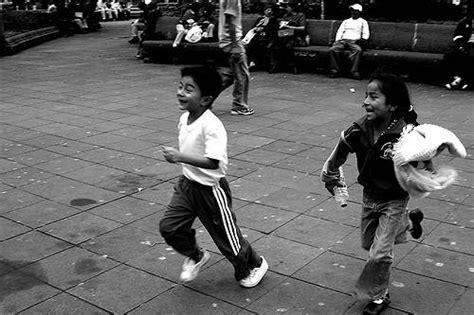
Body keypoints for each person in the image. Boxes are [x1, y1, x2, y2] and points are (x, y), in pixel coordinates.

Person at [320, 70, 424, 315]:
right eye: (366, 95)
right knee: (368, 244)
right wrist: (334, 180)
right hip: (370, 196)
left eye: (374, 97)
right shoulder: (359, 130)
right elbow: (337, 155)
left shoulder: (406, 132)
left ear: (392, 105)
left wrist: (422, 158)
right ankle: (409, 222)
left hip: (395, 198)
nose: (365, 101)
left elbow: (424, 156)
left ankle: (379, 297)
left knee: (379, 254)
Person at [159, 66, 268, 288]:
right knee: (170, 227)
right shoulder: (184, 118)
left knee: (228, 238)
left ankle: (254, 264)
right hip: (187, 186)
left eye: (189, 89)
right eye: (180, 86)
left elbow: (214, 162)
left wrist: (180, 156)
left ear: (206, 99)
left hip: (210, 190)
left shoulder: (212, 126)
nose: (181, 92)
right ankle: (196, 255)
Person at [218, 0, 255, 116]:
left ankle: (206, 96)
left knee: (231, 74)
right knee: (243, 75)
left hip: (230, 40)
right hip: (232, 41)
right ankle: (239, 105)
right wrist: (235, 46)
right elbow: (230, 21)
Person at [329, 3, 369, 80]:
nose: (353, 12)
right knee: (333, 50)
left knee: (358, 50)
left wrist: (363, 40)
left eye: (355, 11)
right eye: (352, 11)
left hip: (354, 41)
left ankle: (354, 71)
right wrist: (337, 40)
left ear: (359, 12)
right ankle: (335, 70)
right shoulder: (346, 21)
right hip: (343, 40)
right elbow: (340, 31)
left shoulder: (363, 22)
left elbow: (365, 33)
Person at [268, 2, 307, 74]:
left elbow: (302, 28)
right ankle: (275, 65)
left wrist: (290, 27)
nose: (286, 9)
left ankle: (293, 66)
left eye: (287, 7)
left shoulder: (300, 15)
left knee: (288, 46)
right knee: (275, 45)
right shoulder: (286, 15)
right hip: (286, 35)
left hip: (296, 37)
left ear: (292, 8)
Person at [443, 9, 473, 90]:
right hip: (464, 44)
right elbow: (457, 35)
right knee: (449, 54)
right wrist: (461, 45)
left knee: (471, 56)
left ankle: (460, 80)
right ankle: (457, 79)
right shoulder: (465, 21)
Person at [244, 4, 279, 71]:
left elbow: (274, 29)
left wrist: (263, 28)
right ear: (264, 11)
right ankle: (251, 62)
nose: (269, 12)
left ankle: (258, 63)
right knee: (252, 44)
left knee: (265, 45)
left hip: (268, 37)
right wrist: (256, 28)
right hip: (258, 37)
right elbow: (253, 28)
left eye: (270, 10)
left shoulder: (273, 19)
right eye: (267, 10)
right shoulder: (260, 19)